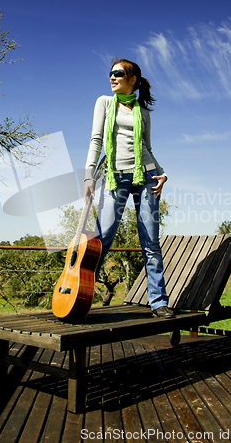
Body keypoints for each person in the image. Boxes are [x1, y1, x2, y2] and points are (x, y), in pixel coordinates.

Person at [83, 58, 174, 318]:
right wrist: (89, 175)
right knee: (101, 240)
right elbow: (96, 140)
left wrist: (162, 173)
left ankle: (158, 302)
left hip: (146, 177)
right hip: (114, 178)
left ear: (132, 79)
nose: (112, 77)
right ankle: (82, 296)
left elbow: (148, 147)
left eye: (118, 74)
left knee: (150, 242)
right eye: (110, 73)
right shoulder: (104, 103)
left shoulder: (143, 112)